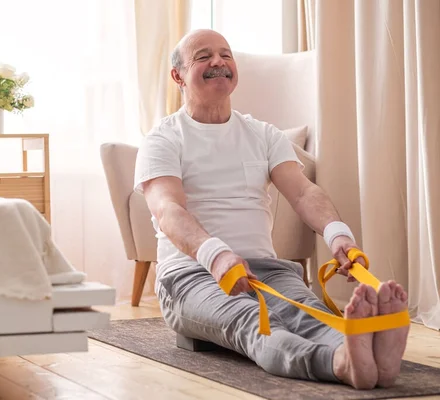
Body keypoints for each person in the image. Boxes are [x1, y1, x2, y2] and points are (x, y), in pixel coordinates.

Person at [133, 29, 410, 390]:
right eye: (203, 57)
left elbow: (303, 192)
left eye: (225, 55)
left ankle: (374, 358)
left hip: (269, 271)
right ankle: (339, 362)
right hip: (191, 276)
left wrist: (337, 235)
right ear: (178, 76)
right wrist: (216, 256)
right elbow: (168, 210)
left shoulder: (263, 134)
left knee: (312, 316)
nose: (218, 62)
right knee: (254, 321)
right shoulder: (163, 139)